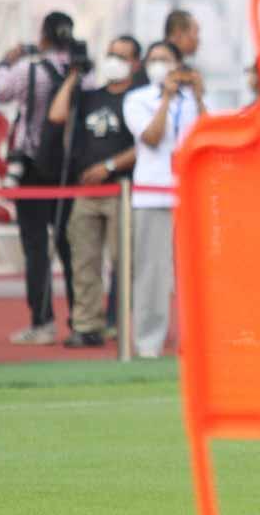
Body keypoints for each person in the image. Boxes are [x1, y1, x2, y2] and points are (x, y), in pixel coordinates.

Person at [0, 11, 89, 345]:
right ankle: (82, 320)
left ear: (44, 36)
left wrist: (6, 62)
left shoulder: (28, 69)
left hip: (31, 166)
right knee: (69, 245)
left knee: (35, 246)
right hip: (68, 168)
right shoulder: (83, 72)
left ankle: (42, 322)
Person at [48, 35, 142, 347]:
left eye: (122, 56)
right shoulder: (90, 96)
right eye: (111, 54)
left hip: (120, 190)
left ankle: (125, 324)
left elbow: (145, 144)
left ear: (134, 64)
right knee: (84, 262)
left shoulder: (137, 100)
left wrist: (110, 166)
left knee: (123, 261)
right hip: (85, 192)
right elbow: (57, 115)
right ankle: (87, 325)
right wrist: (73, 76)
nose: (114, 60)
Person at [123, 40, 206, 358]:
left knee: (196, 273)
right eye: (153, 59)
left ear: (179, 64)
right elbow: (152, 137)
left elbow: (208, 135)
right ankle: (149, 344)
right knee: (152, 274)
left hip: (191, 196)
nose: (158, 65)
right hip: (152, 194)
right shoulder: (137, 99)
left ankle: (195, 341)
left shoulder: (195, 98)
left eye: (165, 59)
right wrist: (167, 98)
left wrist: (198, 96)